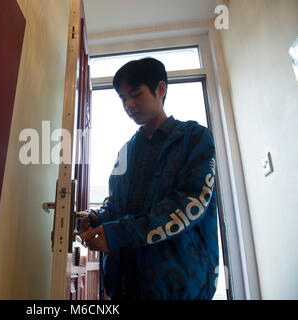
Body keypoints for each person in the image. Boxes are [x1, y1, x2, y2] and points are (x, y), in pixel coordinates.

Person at [80, 57, 219, 300]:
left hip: (177, 287)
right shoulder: (126, 150)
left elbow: (188, 205)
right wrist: (97, 217)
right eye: (123, 98)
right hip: (124, 284)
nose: (129, 105)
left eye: (135, 94)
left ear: (161, 89)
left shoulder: (194, 138)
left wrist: (118, 233)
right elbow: (116, 205)